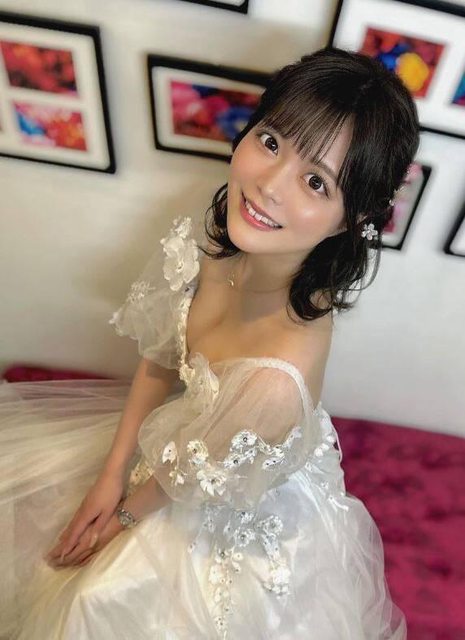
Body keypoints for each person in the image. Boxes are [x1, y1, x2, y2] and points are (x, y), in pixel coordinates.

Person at [0, 46, 419, 639]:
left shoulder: (275, 379)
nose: (268, 186)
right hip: (189, 445)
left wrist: (118, 521)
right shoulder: (224, 244)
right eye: (271, 142)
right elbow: (161, 356)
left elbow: (185, 481)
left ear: (352, 218)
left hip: (220, 492)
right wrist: (111, 473)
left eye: (315, 181)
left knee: (93, 602)